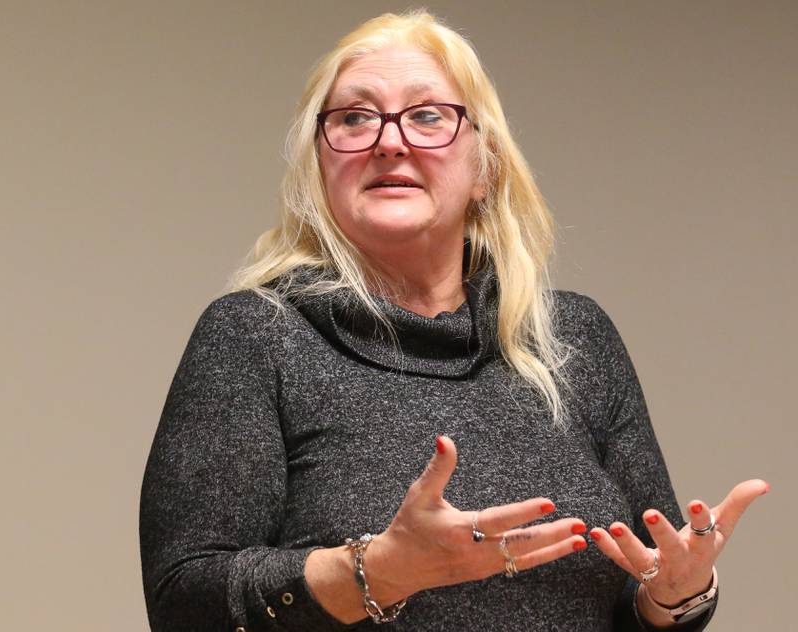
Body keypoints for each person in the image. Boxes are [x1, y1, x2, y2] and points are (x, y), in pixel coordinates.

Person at [139, 10, 768, 632]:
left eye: (427, 116)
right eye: (354, 117)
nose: (389, 140)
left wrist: (675, 599)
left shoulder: (574, 338)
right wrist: (376, 571)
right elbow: (183, 602)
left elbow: (647, 585)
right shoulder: (254, 336)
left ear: (485, 168)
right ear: (319, 168)